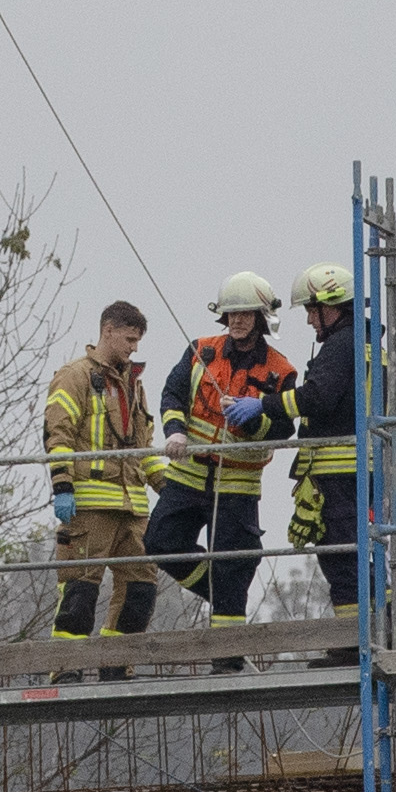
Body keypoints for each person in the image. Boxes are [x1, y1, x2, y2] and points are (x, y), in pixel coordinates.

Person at [147, 275, 296, 673]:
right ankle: (220, 590)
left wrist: (254, 418)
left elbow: (283, 429)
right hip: (189, 476)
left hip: (238, 485)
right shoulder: (201, 350)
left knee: (233, 565)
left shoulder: (281, 370)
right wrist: (175, 430)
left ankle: (226, 662)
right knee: (160, 542)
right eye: (231, 313)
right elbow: (172, 395)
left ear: (260, 317)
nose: (237, 321)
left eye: (245, 313)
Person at [43, 301, 162, 681]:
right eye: (129, 339)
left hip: (133, 509)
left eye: (138, 341)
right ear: (108, 331)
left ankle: (116, 665)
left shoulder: (134, 385)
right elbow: (58, 436)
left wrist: (172, 489)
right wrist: (62, 486)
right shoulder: (74, 376)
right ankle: (65, 670)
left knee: (141, 589)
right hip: (89, 507)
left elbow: (144, 449)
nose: (134, 348)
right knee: (79, 591)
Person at [265, 263, 367, 662]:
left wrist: (265, 404)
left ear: (333, 305)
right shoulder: (366, 342)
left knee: (341, 559)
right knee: (354, 558)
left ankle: (354, 643)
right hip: (354, 472)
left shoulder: (341, 345)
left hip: (337, 473)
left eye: (312, 309)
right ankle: (365, 634)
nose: (309, 319)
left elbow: (319, 397)